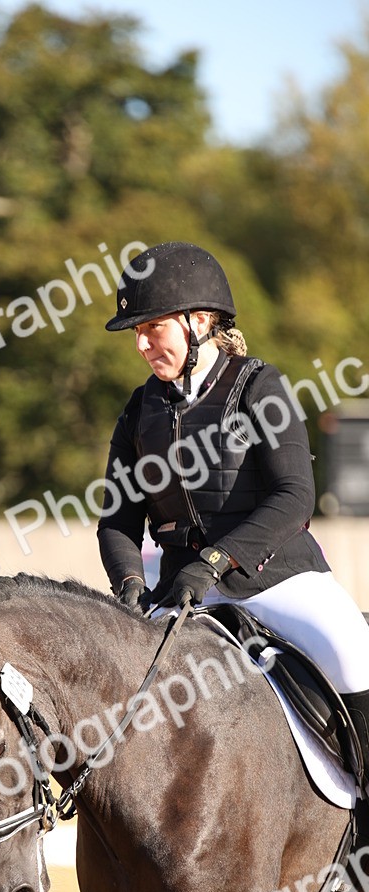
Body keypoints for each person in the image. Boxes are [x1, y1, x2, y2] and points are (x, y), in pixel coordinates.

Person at [96, 240, 369, 784]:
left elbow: (294, 496)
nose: (144, 344)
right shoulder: (138, 409)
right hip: (177, 592)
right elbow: (118, 520)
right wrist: (129, 583)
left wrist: (216, 562)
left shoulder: (259, 387)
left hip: (275, 579)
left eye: (155, 328)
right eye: (138, 334)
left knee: (351, 652)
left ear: (199, 321)